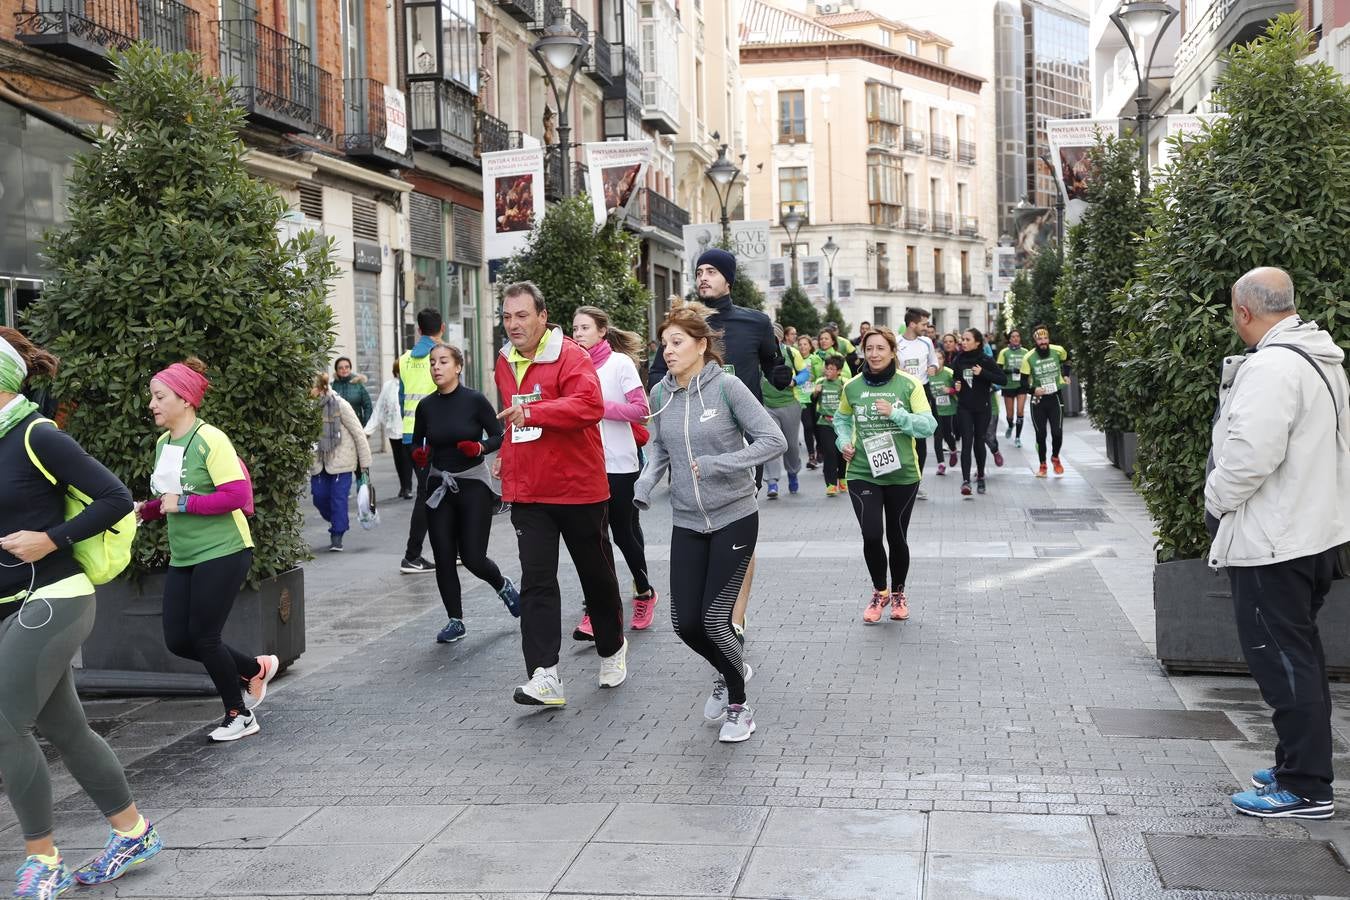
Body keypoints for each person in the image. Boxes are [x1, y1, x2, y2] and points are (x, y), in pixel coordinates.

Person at [0, 328, 164, 895]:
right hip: (8, 604)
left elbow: (118, 498)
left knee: (3, 723)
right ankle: (132, 830)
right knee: (65, 729)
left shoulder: (35, 434)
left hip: (56, 595)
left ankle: (42, 859)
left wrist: (51, 539)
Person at [1207, 268, 1350, 819]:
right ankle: (1296, 763)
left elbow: (1248, 455)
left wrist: (1216, 498)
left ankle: (1307, 785)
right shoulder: (1317, 356)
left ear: (1244, 311)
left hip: (1276, 539)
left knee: (1284, 664)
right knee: (1300, 656)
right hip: (1310, 532)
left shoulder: (1272, 366)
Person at [634, 303, 786, 743]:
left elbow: (772, 440)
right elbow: (660, 450)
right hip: (686, 519)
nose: (669, 351)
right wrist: (645, 483)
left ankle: (739, 705)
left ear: (702, 345)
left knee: (716, 619)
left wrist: (722, 463)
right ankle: (730, 665)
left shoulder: (728, 388)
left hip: (734, 514)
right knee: (684, 623)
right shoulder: (661, 395)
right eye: (664, 344)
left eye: (677, 343)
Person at [647, 251, 791, 646]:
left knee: (739, 525)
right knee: (701, 528)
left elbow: (773, 366)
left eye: (711, 271)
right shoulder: (683, 326)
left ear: (728, 279)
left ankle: (735, 620)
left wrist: (781, 373)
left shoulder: (754, 321)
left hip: (739, 443)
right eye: (699, 272)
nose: (703, 277)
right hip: (693, 440)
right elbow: (659, 373)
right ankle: (713, 609)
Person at [494, 282, 628, 706]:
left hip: (578, 488)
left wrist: (533, 412)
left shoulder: (571, 355)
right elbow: (515, 417)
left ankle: (611, 647)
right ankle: (544, 675)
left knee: (596, 576)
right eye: (507, 316)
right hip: (530, 491)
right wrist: (505, 449)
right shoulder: (504, 360)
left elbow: (588, 406)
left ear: (542, 316)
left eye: (521, 315)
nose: (513, 324)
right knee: (536, 580)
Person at [138, 358, 279, 742]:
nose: (151, 404)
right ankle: (253, 668)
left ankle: (239, 714)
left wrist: (182, 505)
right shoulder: (164, 442)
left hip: (225, 549)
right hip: (186, 553)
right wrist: (142, 512)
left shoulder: (210, 439)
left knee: (204, 636)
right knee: (178, 640)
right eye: (151, 396)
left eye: (159, 396)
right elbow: (168, 497)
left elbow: (237, 495)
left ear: (184, 399)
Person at [412, 344, 519, 644]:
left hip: (473, 483)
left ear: (458, 366)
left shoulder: (474, 400)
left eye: (443, 361)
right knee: (444, 557)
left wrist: (481, 448)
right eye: (433, 362)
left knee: (472, 557)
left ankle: (502, 585)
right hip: (439, 486)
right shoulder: (426, 406)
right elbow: (417, 442)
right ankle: (455, 620)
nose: (436, 367)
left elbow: (500, 434)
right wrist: (419, 456)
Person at [833, 327, 936, 624]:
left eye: (881, 348)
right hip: (863, 471)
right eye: (870, 349)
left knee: (897, 535)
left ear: (893, 351)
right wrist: (843, 442)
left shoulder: (909, 385)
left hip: (902, 473)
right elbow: (840, 419)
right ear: (863, 352)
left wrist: (896, 414)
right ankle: (880, 592)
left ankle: (899, 593)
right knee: (871, 534)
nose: (875, 354)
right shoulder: (851, 387)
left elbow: (928, 425)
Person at [571, 305, 658, 635]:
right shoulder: (571, 366)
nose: (578, 334)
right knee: (593, 539)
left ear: (601, 331)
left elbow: (640, 410)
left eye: (584, 328)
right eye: (575, 328)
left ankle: (644, 591)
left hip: (620, 464)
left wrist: (599, 408)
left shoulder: (620, 364)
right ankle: (597, 608)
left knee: (623, 533)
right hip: (584, 464)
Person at [398, 309, 443, 574]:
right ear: (443, 328)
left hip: (409, 434)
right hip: (433, 436)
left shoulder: (404, 359)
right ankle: (412, 555)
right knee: (430, 493)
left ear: (418, 329)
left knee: (437, 490)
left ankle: (452, 549)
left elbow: (402, 396)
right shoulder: (442, 356)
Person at [310, 372, 373, 552]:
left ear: (319, 388)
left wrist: (365, 464)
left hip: (342, 461)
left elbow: (358, 433)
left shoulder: (340, 404)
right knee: (319, 498)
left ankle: (337, 534)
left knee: (338, 500)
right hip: (318, 461)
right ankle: (339, 520)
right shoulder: (307, 408)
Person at [950, 328, 1007, 496]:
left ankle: (981, 475)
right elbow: (956, 378)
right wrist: (956, 385)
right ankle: (966, 481)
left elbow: (1002, 379)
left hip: (983, 408)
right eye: (963, 339)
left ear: (977, 342)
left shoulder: (985, 359)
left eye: (967, 340)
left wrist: (983, 373)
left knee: (979, 442)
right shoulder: (959, 359)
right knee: (966, 442)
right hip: (964, 407)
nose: (963, 342)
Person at [896, 308, 938, 500]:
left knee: (920, 437)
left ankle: (916, 482)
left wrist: (933, 368)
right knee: (901, 436)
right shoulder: (896, 342)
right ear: (912, 324)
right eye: (923, 324)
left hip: (921, 392)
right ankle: (899, 479)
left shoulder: (927, 342)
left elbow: (935, 363)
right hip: (901, 393)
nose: (926, 328)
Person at [763, 323, 808, 499]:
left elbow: (804, 373)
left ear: (780, 337)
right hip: (767, 405)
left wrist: (794, 381)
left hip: (790, 404)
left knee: (790, 444)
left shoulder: (791, 352)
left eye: (773, 336)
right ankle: (772, 482)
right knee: (770, 443)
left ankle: (792, 472)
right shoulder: (760, 354)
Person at [1021, 327, 1070, 477]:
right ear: (1035, 341)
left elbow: (1068, 359)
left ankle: (1055, 457)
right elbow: (1023, 383)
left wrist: (1066, 375)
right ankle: (1042, 465)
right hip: (1038, 400)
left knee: (1057, 432)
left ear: (1048, 339)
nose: (1043, 342)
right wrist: (1033, 390)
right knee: (1040, 434)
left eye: (1045, 339)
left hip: (1055, 397)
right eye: (1039, 339)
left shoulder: (1058, 350)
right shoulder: (1028, 358)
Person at [366, 359, 412, 500]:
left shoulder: (411, 384)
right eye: (398, 370)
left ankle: (408, 487)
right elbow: (379, 408)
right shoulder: (388, 386)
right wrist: (368, 430)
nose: (400, 373)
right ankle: (403, 486)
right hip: (393, 429)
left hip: (407, 428)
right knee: (398, 459)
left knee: (406, 459)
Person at [811, 354, 848, 494]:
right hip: (824, 422)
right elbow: (812, 400)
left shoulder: (843, 383)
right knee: (830, 452)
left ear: (838, 371)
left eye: (832, 369)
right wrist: (815, 393)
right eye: (827, 368)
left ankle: (842, 479)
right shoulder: (820, 382)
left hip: (841, 423)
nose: (828, 371)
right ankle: (831, 484)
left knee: (842, 451)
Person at [997, 331, 1030, 446]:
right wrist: (1011, 370)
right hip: (1008, 385)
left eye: (1017, 336)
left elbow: (1030, 368)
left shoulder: (1026, 352)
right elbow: (998, 370)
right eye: (1013, 337)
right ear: (1009, 339)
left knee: (1020, 411)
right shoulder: (1004, 352)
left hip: (1021, 385)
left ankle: (1017, 437)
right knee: (1010, 414)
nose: (1016, 339)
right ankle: (1010, 426)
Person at [929, 348, 958, 475]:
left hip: (949, 409)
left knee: (947, 434)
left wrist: (950, 390)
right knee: (937, 436)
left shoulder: (949, 373)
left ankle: (953, 450)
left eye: (940, 358)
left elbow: (959, 389)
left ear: (944, 360)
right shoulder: (928, 374)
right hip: (935, 410)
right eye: (935, 359)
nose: (937, 361)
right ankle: (941, 464)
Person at [797, 334, 821, 469]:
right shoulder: (796, 360)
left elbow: (820, 377)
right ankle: (811, 456)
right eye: (800, 344)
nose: (802, 347)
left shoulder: (815, 359)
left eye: (805, 344)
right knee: (808, 426)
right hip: (801, 398)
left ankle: (820, 451)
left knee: (817, 427)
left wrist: (816, 387)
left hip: (815, 397)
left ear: (810, 346)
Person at [331, 356, 373, 427]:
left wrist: (365, 425)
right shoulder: (332, 387)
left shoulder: (358, 386)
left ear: (350, 369)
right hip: (337, 427)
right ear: (336, 370)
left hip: (356, 426)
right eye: (340, 368)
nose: (344, 370)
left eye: (347, 367)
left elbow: (368, 406)